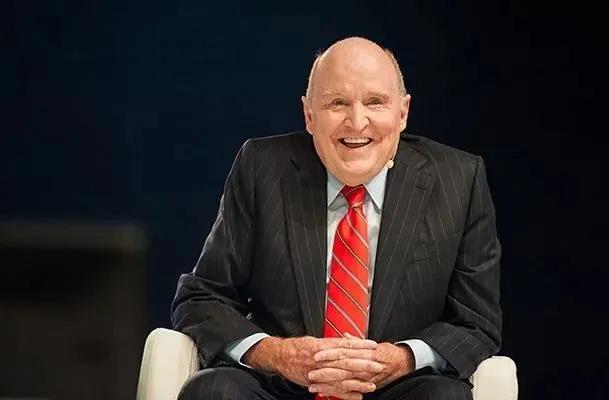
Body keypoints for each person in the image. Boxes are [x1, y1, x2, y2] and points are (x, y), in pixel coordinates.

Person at [172, 37, 502, 400]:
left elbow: (476, 321)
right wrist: (278, 355)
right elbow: (202, 298)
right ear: (309, 115)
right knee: (213, 390)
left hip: (398, 387)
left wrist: (403, 358)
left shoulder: (458, 180)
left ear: (403, 113)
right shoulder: (262, 168)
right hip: (281, 386)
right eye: (337, 103)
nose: (357, 122)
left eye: (375, 102)